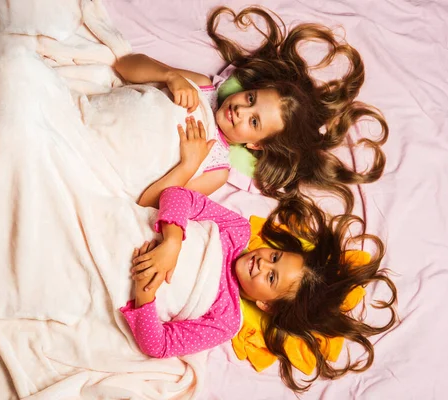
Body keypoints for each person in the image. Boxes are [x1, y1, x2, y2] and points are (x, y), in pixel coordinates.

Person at [120, 186, 397, 391]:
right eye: (275, 257)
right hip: (125, 228)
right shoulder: (236, 230)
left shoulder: (226, 320)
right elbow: (177, 195)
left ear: (268, 305)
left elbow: (158, 344)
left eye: (272, 278)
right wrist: (172, 242)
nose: (263, 263)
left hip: (124, 281)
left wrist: (145, 293)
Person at [114, 6, 388, 212]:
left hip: (116, 163)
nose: (241, 111)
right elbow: (125, 64)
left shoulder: (216, 171)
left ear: (256, 146)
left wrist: (188, 165)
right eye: (250, 99)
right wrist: (169, 76)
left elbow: (149, 203)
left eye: (254, 122)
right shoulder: (202, 87)